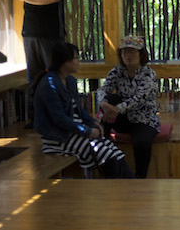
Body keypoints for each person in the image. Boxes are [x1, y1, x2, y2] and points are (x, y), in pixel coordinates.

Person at [34, 42, 133, 178]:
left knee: (114, 151)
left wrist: (93, 122)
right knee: (104, 153)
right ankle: (117, 191)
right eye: (76, 57)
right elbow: (59, 119)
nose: (78, 61)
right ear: (65, 60)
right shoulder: (49, 85)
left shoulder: (70, 80)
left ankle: (129, 188)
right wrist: (87, 131)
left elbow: (78, 110)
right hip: (58, 136)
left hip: (73, 129)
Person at [12, 0, 68, 128]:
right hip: (30, 32)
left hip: (52, 32)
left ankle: (60, 117)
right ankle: (36, 119)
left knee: (55, 76)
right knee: (34, 77)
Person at [97, 35, 160, 179]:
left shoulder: (148, 74)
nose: (128, 55)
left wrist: (115, 109)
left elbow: (138, 99)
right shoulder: (117, 71)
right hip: (121, 119)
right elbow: (103, 89)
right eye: (125, 52)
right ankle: (103, 156)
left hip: (143, 120)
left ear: (141, 54)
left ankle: (139, 178)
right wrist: (104, 104)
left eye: (132, 52)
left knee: (142, 143)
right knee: (110, 99)